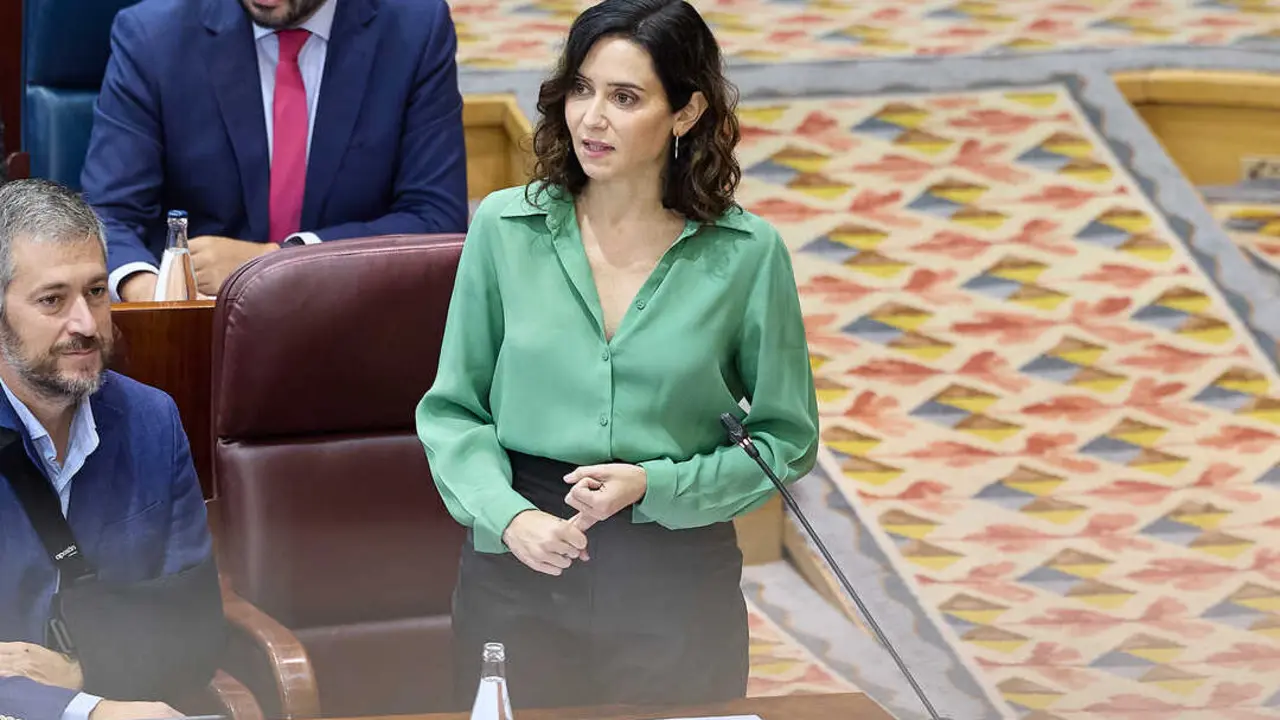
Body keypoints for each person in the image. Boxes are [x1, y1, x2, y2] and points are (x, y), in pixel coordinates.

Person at [415, 0, 819, 710]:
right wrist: (508, 516)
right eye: (581, 88)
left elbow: (784, 438)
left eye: (625, 97)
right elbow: (453, 411)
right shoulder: (504, 228)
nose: (591, 118)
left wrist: (656, 487)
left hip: (676, 566)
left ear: (686, 113)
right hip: (522, 552)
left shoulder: (748, 255)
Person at [0, 180, 222, 720]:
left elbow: (195, 630)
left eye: (97, 292)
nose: (85, 324)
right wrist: (90, 711)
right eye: (52, 300)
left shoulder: (152, 421)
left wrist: (83, 674)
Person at [81, 0, 469, 302]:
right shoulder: (153, 36)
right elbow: (110, 213)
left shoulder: (414, 29)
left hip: (354, 320)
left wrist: (275, 260)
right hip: (195, 339)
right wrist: (154, 291)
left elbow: (436, 220)